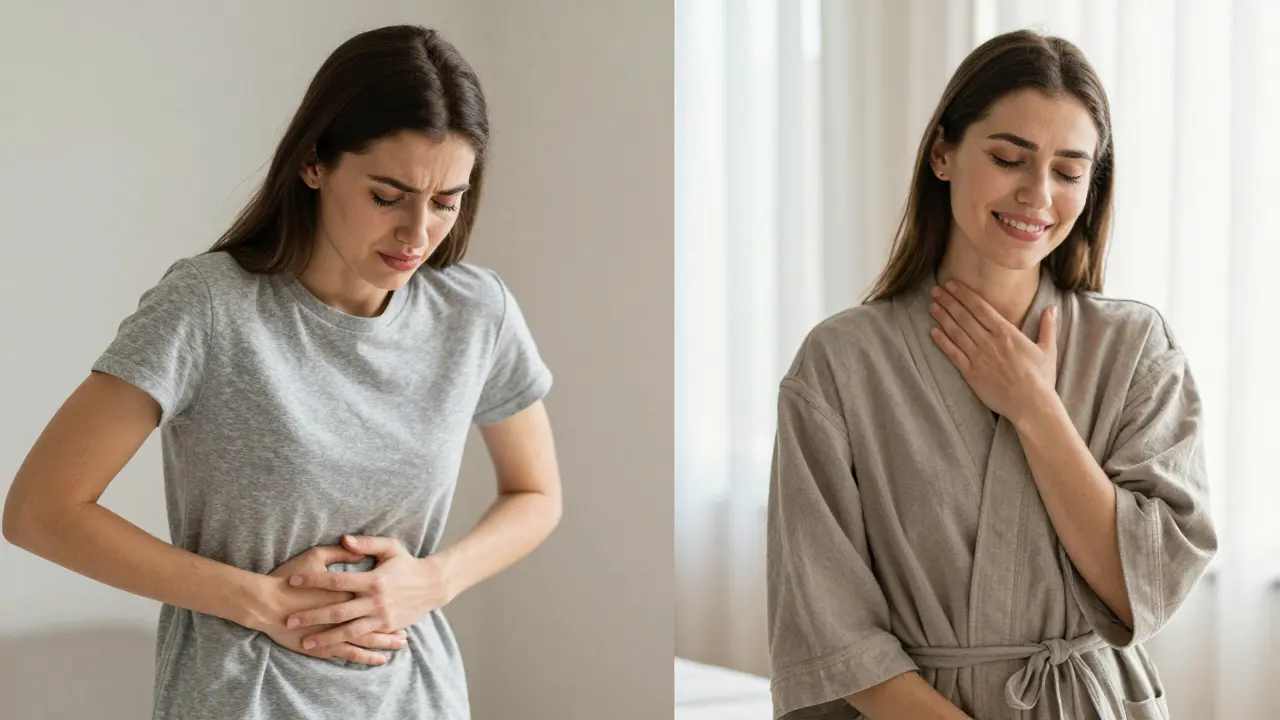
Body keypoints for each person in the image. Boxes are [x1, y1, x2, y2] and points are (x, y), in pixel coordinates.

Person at [2, 24, 562, 720]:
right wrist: (260, 601)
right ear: (314, 163)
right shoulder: (209, 306)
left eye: (446, 201)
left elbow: (536, 494)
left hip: (417, 698)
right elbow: (40, 512)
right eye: (388, 196)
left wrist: (433, 581)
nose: (417, 233)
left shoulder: (475, 313)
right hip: (244, 698)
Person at [766, 29, 1216, 720]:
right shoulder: (839, 364)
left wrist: (1036, 406)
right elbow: (833, 635)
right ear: (943, 153)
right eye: (1010, 158)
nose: (1038, 195)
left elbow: (1144, 588)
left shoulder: (1135, 349)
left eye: (1069, 172)